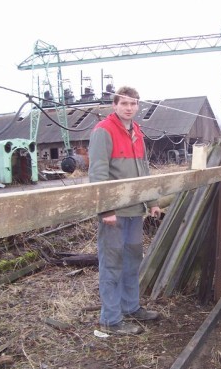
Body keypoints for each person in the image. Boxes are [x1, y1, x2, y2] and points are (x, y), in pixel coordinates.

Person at [88, 86, 161, 335]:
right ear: (115, 105)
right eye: (124, 104)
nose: (129, 108)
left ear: (137, 106)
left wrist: (152, 202)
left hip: (135, 211)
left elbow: (145, 171)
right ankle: (110, 319)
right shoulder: (103, 131)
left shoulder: (137, 133)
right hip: (115, 214)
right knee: (112, 264)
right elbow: (97, 174)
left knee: (132, 262)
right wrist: (105, 209)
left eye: (133, 104)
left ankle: (130, 307)